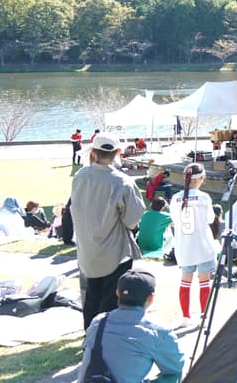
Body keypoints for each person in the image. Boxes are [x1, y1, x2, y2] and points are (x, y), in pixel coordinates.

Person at [71, 132, 147, 330]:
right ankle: (105, 340)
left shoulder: (80, 176)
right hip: (115, 252)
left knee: (90, 298)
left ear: (94, 153)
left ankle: (90, 337)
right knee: (110, 302)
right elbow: (133, 220)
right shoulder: (122, 182)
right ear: (117, 153)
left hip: (87, 249)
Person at [77, 269, 185, 383]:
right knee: (174, 375)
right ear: (151, 297)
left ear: (117, 293)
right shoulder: (158, 331)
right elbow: (175, 367)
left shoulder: (97, 322)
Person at [169, 163, 217, 325]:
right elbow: (210, 219)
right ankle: (204, 315)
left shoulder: (175, 198)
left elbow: (175, 221)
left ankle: (185, 316)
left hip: (184, 246)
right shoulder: (204, 197)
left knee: (185, 281)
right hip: (202, 245)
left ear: (185, 177)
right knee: (204, 282)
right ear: (202, 178)